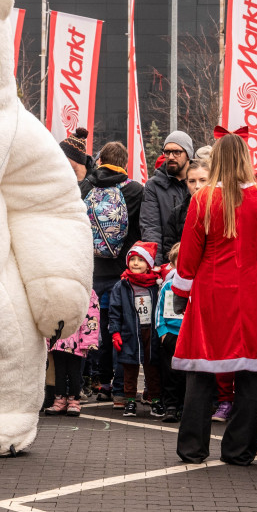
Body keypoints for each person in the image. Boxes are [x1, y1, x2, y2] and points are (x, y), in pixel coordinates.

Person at [170, 131, 257, 466]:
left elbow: (189, 253)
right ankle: (239, 450)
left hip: (210, 291)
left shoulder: (203, 199)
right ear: (246, 158)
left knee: (201, 369)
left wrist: (180, 293)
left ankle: (193, 448)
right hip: (250, 292)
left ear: (215, 159)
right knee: (248, 372)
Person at [77, 141, 144, 406]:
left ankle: (96, 381)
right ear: (124, 164)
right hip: (122, 272)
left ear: (100, 160)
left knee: (92, 328)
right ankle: (120, 388)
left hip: (91, 270)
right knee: (120, 328)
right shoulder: (135, 190)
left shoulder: (86, 187)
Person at [109, 241, 163, 418]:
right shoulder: (122, 285)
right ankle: (130, 401)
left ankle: (155, 400)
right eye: (132, 259)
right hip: (130, 332)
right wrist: (115, 332)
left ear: (149, 264)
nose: (135, 263)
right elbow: (114, 311)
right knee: (129, 368)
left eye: (140, 260)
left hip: (151, 332)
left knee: (153, 367)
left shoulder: (156, 285)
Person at [44, 290, 99, 417]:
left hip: (77, 341)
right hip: (58, 339)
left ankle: (74, 401)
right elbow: (48, 313)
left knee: (74, 372)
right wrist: (48, 336)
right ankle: (60, 399)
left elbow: (92, 314)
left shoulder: (86, 291)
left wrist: (88, 341)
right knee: (59, 371)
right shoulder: (56, 288)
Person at [141, 131, 194, 260]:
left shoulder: (201, 181)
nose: (170, 157)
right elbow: (151, 227)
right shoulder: (153, 185)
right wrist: (157, 263)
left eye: (176, 152)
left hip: (196, 259)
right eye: (167, 152)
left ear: (188, 154)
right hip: (167, 261)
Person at [155, 243, 185, 422]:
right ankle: (171, 407)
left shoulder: (198, 284)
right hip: (171, 335)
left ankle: (184, 407)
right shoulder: (168, 285)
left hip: (189, 335)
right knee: (170, 373)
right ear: (173, 264)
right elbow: (159, 311)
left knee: (187, 374)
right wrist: (163, 333)